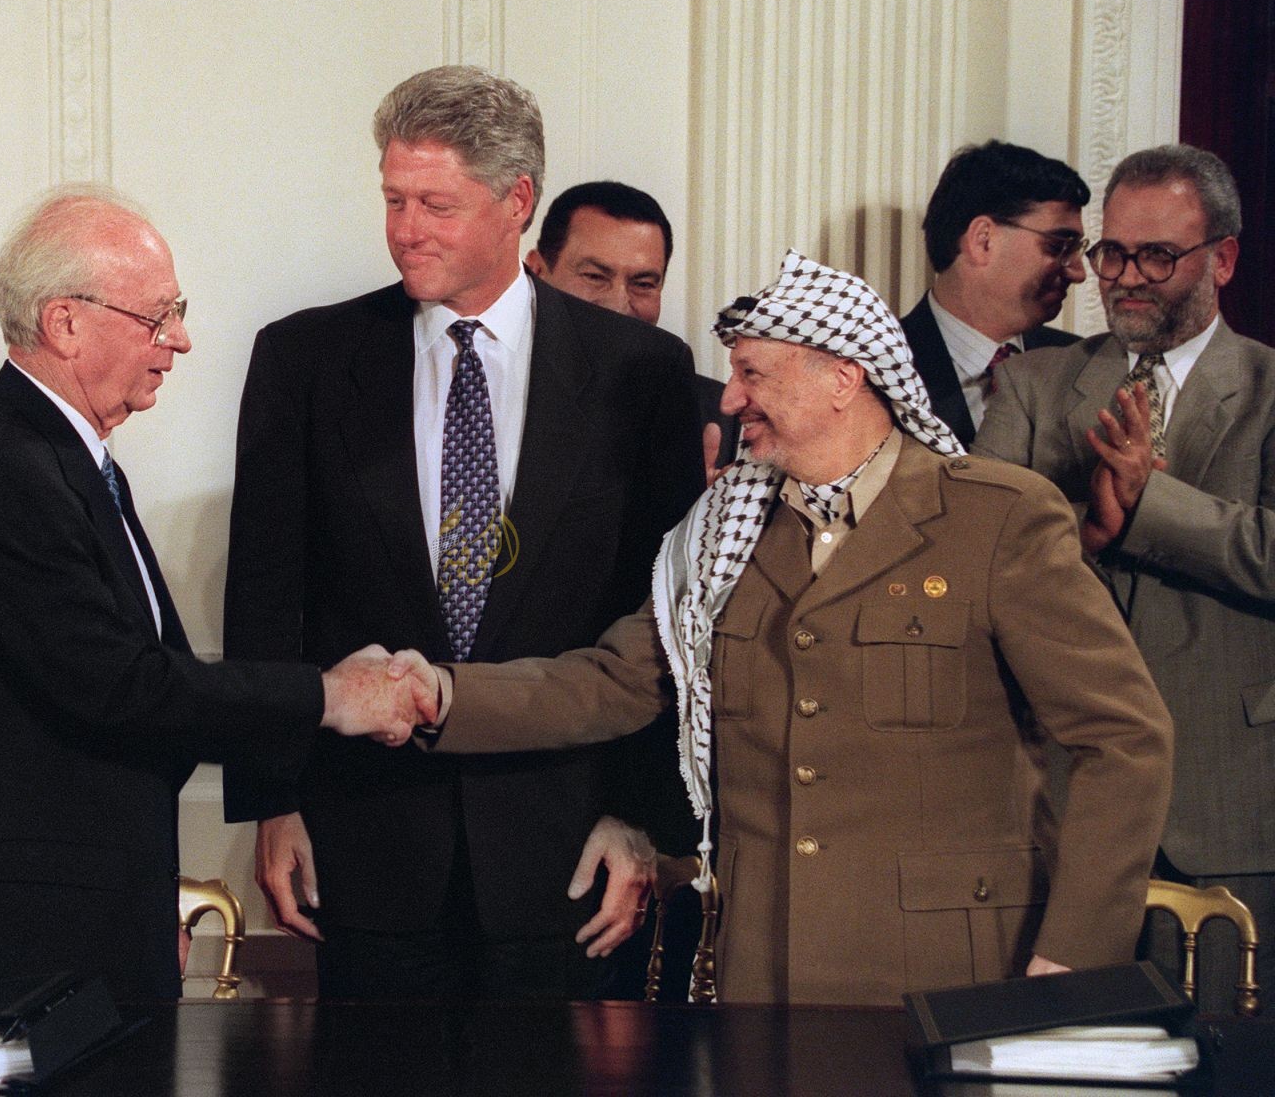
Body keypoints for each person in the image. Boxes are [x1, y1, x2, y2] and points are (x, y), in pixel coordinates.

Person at [393, 251, 1173, 1006]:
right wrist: (433, 695)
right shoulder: (723, 532)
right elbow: (611, 682)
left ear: (844, 378)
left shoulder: (998, 519)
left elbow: (1124, 737)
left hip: (951, 979)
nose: (731, 399)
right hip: (763, 977)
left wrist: (1077, 950)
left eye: (753, 374)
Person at [0, 186, 425, 1002]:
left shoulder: (64, 457)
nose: (180, 340)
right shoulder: (4, 469)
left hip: (73, 921)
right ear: (65, 323)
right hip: (2, 947)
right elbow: (117, 686)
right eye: (158, 317)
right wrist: (330, 696)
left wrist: (137, 892)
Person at [223, 66, 705, 1000]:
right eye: (394, 200)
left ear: (516, 201)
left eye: (436, 205)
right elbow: (267, 595)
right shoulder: (304, 357)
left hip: (568, 851)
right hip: (364, 841)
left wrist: (641, 819)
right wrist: (273, 801)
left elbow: (666, 617)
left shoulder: (641, 372)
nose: (406, 229)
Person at [974, 143, 1275, 1010]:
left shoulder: (1267, 389)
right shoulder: (1033, 387)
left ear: (1222, 259)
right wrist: (1088, 533)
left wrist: (1152, 506)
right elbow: (979, 550)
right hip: (1060, 805)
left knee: (1230, 1061)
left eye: (1157, 256)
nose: (1126, 278)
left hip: (1232, 809)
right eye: (1112, 253)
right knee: (1056, 1054)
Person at [529, 180, 739, 473]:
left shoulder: (715, 411)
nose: (619, 305)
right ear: (537, 272)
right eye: (594, 276)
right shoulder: (491, 387)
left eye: (642, 284)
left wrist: (704, 502)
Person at [901, 140, 1089, 445]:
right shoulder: (877, 370)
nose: (1078, 272)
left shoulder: (1079, 365)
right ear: (983, 240)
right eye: (1059, 246)